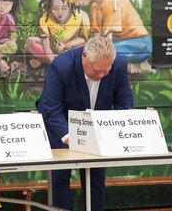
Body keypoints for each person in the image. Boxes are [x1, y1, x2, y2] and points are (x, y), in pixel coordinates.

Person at [36, 36, 133, 210]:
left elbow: (124, 103)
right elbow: (50, 108)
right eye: (97, 70)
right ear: (84, 56)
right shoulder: (61, 66)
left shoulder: (118, 65)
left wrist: (118, 132)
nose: (102, 75)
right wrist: (68, 138)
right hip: (61, 125)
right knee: (60, 176)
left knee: (96, 177)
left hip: (96, 128)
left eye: (106, 70)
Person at [89, 0, 156, 74]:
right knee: (96, 50)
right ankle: (138, 64)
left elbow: (107, 42)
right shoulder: (94, 6)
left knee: (104, 52)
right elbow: (96, 38)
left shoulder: (111, 1)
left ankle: (136, 67)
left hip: (140, 44)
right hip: (121, 44)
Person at [25, 0, 90, 68]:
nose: (60, 13)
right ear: (49, 7)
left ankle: (42, 59)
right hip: (53, 49)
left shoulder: (82, 16)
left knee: (84, 49)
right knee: (30, 42)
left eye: (64, 8)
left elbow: (84, 39)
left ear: (70, 5)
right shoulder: (44, 18)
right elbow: (46, 46)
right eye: (55, 8)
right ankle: (63, 61)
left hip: (72, 48)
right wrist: (54, 62)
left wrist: (66, 45)